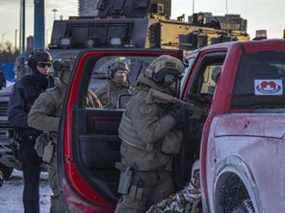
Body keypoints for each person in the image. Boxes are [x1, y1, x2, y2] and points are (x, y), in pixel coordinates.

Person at [115, 55, 189, 213]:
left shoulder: (161, 100)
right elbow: (149, 134)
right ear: (164, 77)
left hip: (159, 170)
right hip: (141, 173)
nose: (174, 84)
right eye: (173, 79)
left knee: (165, 208)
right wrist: (174, 118)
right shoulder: (142, 101)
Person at [27, 59, 102, 213]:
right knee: (62, 195)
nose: (75, 75)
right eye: (70, 72)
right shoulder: (52, 96)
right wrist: (64, 124)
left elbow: (99, 115)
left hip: (85, 152)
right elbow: (33, 119)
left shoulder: (88, 94)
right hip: (59, 153)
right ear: (62, 74)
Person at [8, 49, 52, 213]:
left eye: (49, 65)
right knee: (32, 184)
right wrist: (37, 122)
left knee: (61, 184)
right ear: (34, 66)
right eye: (42, 65)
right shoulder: (23, 85)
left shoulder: (53, 84)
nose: (46, 69)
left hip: (53, 139)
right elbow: (14, 115)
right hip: (30, 139)